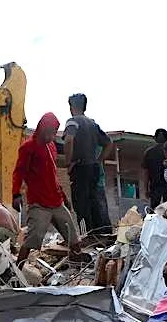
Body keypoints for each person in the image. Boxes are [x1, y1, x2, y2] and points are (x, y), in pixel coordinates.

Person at [14, 112, 85, 262]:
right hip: (39, 203)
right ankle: (16, 272)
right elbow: (19, 172)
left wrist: (64, 196)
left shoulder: (51, 147)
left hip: (56, 201)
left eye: (54, 133)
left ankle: (80, 271)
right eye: (51, 132)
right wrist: (16, 194)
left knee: (73, 238)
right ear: (42, 128)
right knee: (31, 241)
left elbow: (53, 175)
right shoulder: (28, 147)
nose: (52, 136)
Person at [63, 93, 113, 237]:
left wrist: (68, 161)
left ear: (72, 107)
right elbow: (109, 143)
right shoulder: (93, 124)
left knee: (81, 205)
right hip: (93, 169)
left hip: (79, 168)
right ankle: (100, 235)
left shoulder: (72, 122)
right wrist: (98, 160)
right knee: (94, 202)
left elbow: (68, 140)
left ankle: (86, 236)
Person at [142, 128, 167, 210]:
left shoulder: (149, 152)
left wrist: (146, 189)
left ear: (155, 138)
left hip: (158, 186)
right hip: (166, 186)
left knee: (155, 210)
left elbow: (146, 172)